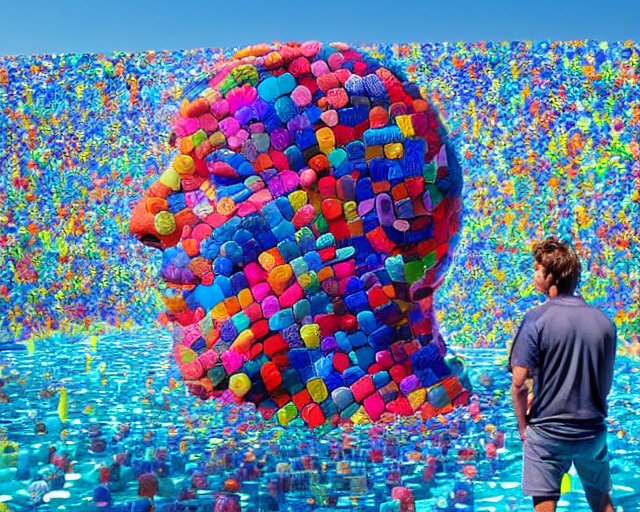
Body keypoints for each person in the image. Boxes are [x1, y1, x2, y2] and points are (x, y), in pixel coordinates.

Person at [509, 237, 617, 512]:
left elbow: (519, 384)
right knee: (602, 502)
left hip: (548, 433)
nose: (534, 275)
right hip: (592, 431)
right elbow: (603, 384)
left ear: (551, 276)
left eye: (537, 269)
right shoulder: (604, 322)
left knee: (545, 505)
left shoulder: (535, 319)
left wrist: (524, 429)